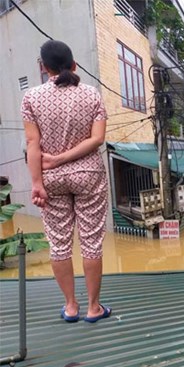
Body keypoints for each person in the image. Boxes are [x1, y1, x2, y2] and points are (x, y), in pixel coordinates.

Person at [21, 40, 112, 323]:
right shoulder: (92, 95)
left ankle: (71, 306)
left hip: (51, 179)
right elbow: (97, 139)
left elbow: (32, 143)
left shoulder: (31, 98)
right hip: (89, 175)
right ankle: (93, 308)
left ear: (43, 67)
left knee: (59, 244)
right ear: (74, 65)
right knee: (91, 243)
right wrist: (65, 159)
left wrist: (37, 181)